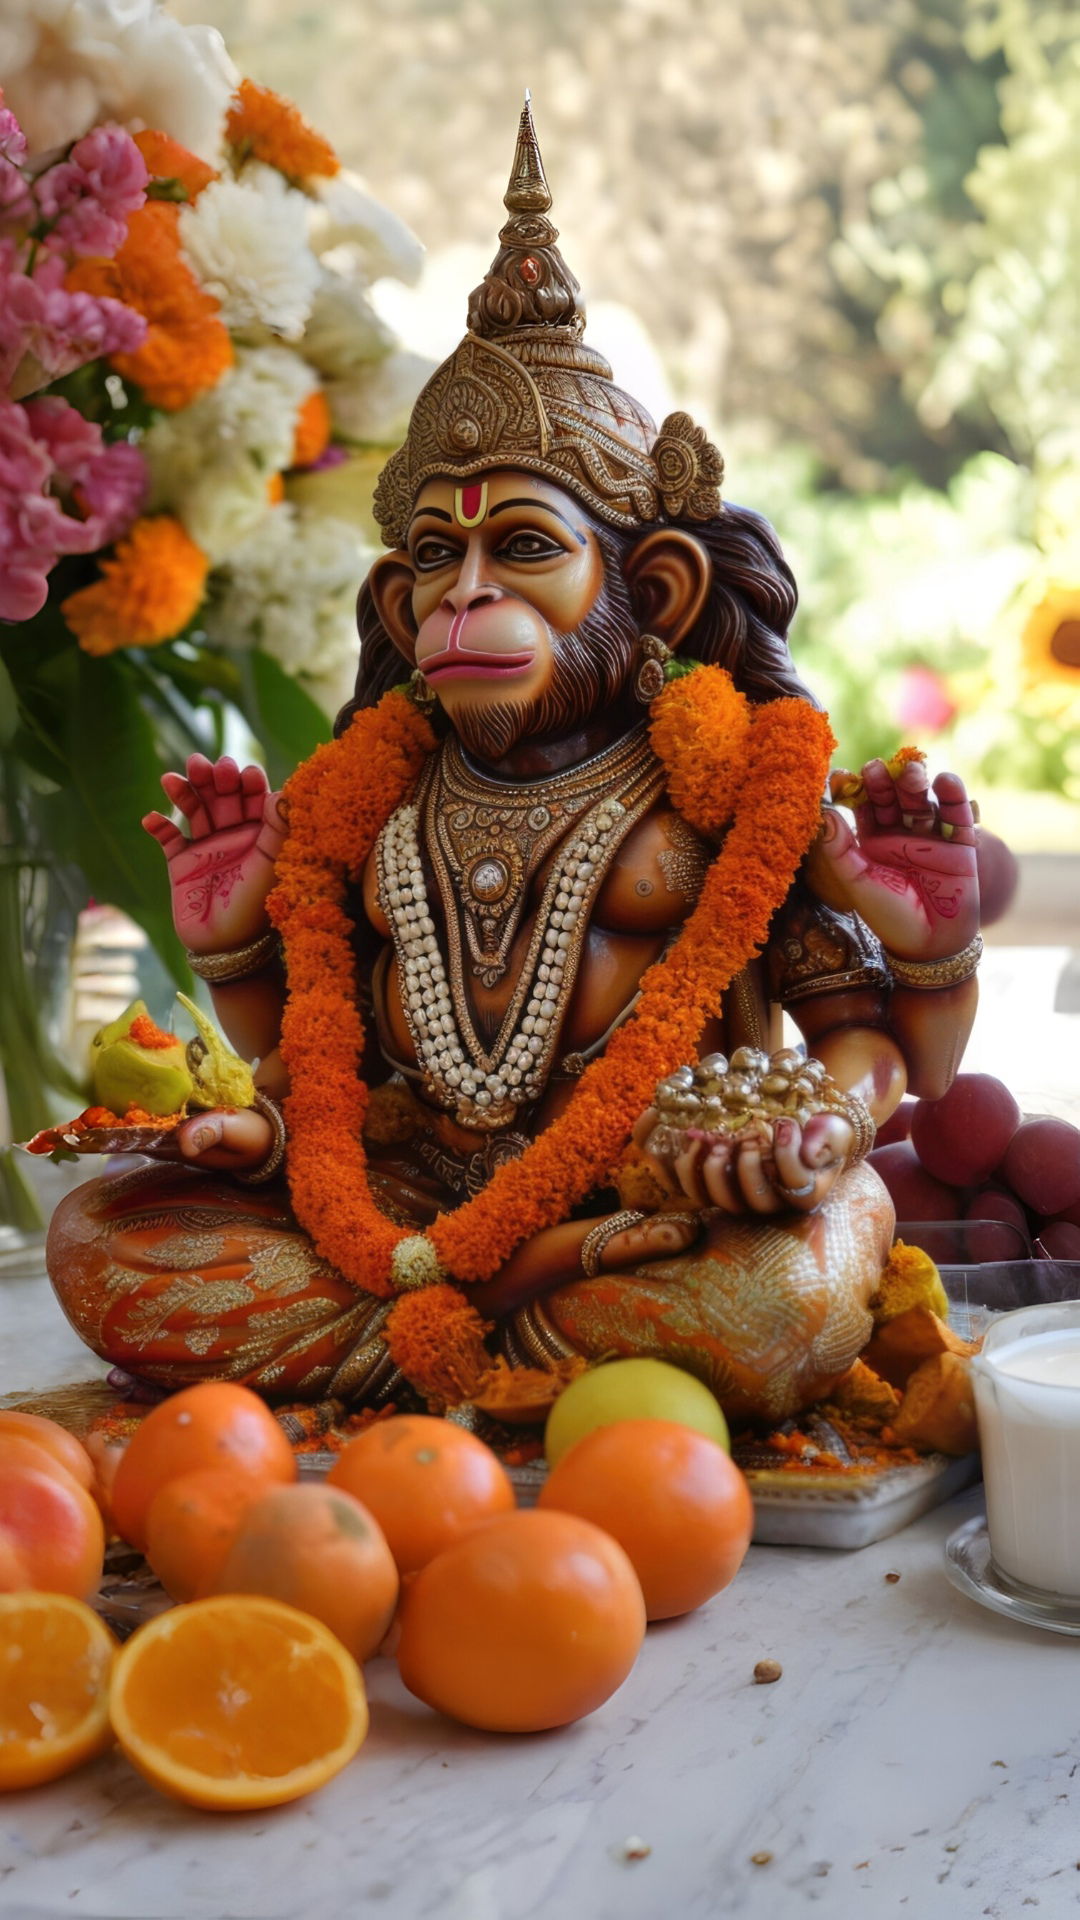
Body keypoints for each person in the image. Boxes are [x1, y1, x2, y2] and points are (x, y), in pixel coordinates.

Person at [47, 104, 981, 1423]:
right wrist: (237, 948)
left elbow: (887, 1057)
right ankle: (514, 1332)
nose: (463, 595)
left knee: (795, 1290)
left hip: (671, 1210)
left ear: (649, 589)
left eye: (522, 549)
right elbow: (314, 1072)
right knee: (102, 1243)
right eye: (436, 558)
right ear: (394, 604)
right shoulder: (373, 807)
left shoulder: (728, 795)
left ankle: (436, 1343)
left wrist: (851, 1077)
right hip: (411, 1207)